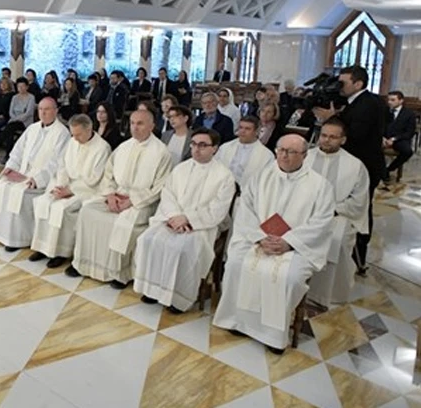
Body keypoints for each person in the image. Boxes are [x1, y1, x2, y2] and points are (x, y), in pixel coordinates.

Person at [213, 134, 334, 354]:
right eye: (281, 150)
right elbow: (245, 209)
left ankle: (273, 334)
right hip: (258, 240)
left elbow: (322, 223)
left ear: (305, 156)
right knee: (236, 265)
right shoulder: (261, 177)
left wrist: (289, 242)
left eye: (291, 152)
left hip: (296, 247)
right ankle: (239, 322)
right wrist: (259, 237)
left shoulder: (320, 186)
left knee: (288, 277)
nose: (284, 156)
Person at [134, 128, 236, 312]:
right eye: (194, 144)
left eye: (203, 145)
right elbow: (168, 195)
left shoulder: (224, 176)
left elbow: (217, 211)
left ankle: (178, 298)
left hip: (202, 225)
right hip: (172, 219)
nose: (196, 149)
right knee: (148, 239)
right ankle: (153, 289)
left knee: (182, 249)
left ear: (215, 148)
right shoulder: (180, 168)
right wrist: (174, 216)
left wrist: (187, 219)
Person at [67, 110, 172, 287]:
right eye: (132, 123)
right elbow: (108, 174)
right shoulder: (124, 147)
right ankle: (83, 264)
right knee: (88, 211)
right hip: (115, 196)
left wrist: (131, 201)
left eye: (140, 123)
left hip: (141, 203)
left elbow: (160, 187)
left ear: (152, 126)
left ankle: (118, 273)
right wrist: (109, 195)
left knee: (123, 224)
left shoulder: (162, 152)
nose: (135, 128)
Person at [313, 65, 386, 276]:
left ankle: (358, 256)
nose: (339, 86)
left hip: (365, 164)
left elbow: (356, 134)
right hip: (351, 163)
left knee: (362, 208)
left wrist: (332, 118)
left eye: (343, 82)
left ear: (358, 83)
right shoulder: (356, 102)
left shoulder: (368, 103)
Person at [0, 98, 70, 252]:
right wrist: (10, 167)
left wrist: (37, 180)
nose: (43, 112)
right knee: (1, 185)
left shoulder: (62, 133)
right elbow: (18, 151)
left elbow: (57, 163)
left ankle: (15, 238)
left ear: (56, 111)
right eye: (41, 109)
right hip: (22, 172)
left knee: (19, 192)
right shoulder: (32, 128)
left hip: (40, 180)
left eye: (47, 109)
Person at [29, 114, 111, 268]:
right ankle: (42, 247)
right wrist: (61, 185)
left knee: (62, 209)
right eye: (73, 134)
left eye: (78, 134)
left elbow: (94, 178)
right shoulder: (72, 142)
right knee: (44, 202)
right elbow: (63, 165)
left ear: (89, 129)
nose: (75, 138)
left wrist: (70, 190)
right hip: (67, 185)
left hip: (86, 191)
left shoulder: (102, 148)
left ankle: (59, 252)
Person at [305, 119, 369, 308]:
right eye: (323, 135)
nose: (326, 140)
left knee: (336, 241)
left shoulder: (355, 166)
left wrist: (331, 208)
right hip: (302, 213)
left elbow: (358, 202)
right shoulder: (304, 157)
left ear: (343, 140)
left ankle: (324, 294)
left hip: (337, 216)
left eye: (333, 137)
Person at [215, 116, 275, 187]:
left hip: (248, 192)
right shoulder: (225, 147)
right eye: (241, 127)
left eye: (247, 129)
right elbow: (215, 168)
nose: (243, 131)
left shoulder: (267, 155)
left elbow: (267, 180)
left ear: (256, 132)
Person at [0, 78, 37, 157]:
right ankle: (9, 153)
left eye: (23, 86)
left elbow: (28, 113)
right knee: (10, 131)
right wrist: (14, 118)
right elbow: (11, 112)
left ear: (27, 87)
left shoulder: (31, 97)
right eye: (19, 87)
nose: (21, 88)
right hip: (14, 121)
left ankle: (4, 147)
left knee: (9, 128)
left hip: (25, 122)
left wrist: (16, 119)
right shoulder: (15, 97)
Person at [384, 90, 416, 182]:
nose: (389, 102)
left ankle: (389, 169)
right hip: (384, 138)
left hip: (399, 139)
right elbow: (379, 125)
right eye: (388, 100)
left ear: (401, 101)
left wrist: (394, 139)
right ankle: (380, 170)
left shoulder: (409, 114)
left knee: (407, 151)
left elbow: (409, 132)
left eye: (393, 100)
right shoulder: (384, 110)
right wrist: (383, 138)